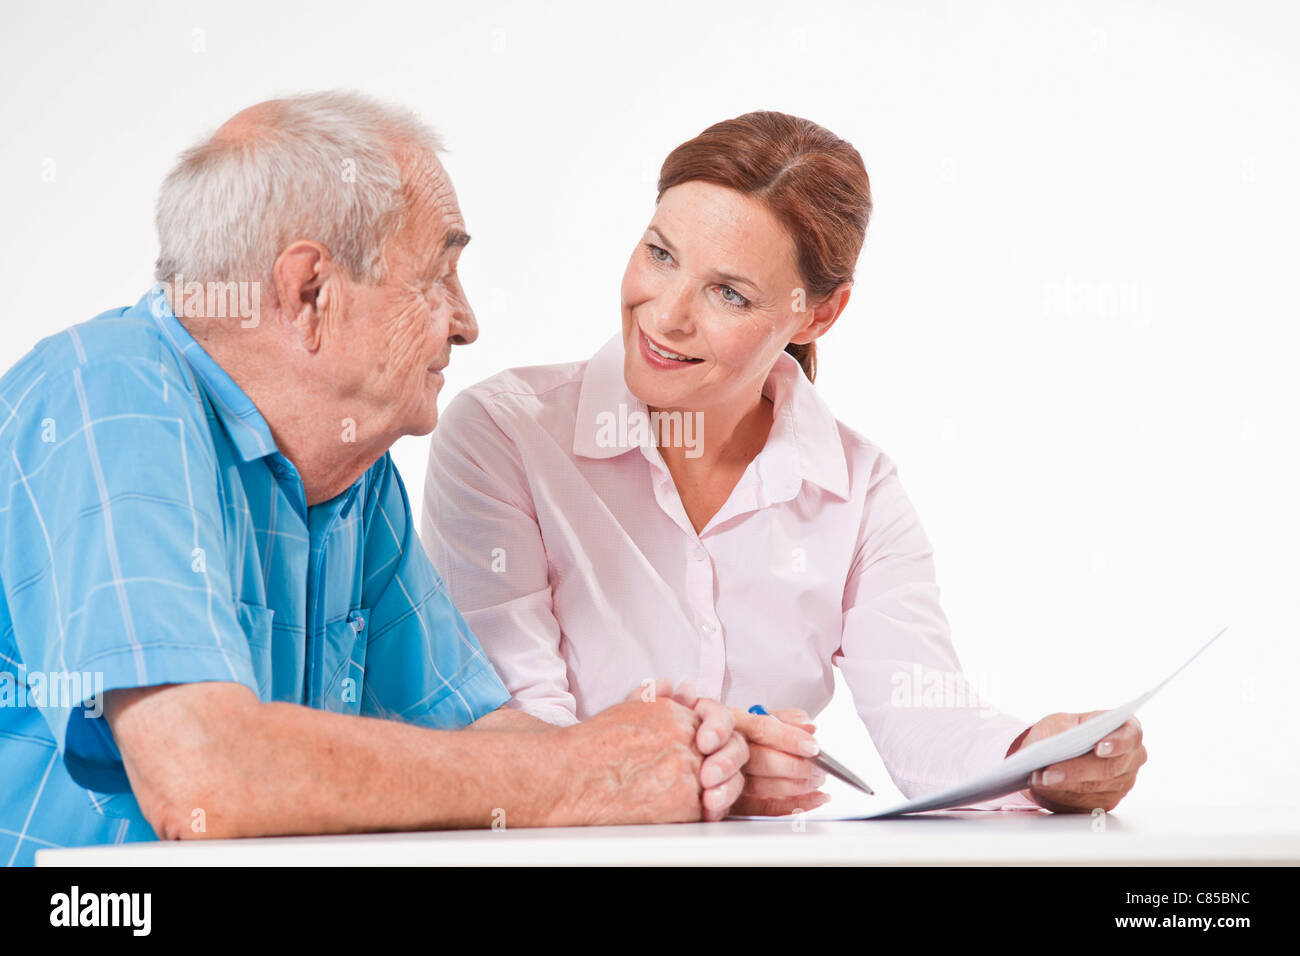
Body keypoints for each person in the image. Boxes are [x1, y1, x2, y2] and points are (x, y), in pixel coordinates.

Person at [0, 92, 749, 867]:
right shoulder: (109, 391)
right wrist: (583, 773)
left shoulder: (352, 472)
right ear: (309, 293)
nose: (466, 322)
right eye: (439, 277)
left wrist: (681, 758)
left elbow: (475, 738)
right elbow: (202, 778)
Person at [422, 111, 1147, 817]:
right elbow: (512, 735)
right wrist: (713, 770)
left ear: (817, 315)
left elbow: (922, 718)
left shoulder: (857, 490)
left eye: (728, 293)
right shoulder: (505, 434)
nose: (666, 314)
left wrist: (1039, 757)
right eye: (661, 254)